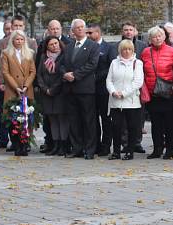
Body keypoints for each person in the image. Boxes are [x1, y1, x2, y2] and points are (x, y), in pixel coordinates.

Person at [60, 19, 100, 160]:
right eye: (77, 28)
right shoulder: (69, 46)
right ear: (73, 31)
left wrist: (75, 75)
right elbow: (61, 63)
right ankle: (77, 148)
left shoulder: (93, 46)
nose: (80, 29)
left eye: (82, 27)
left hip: (85, 89)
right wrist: (64, 73)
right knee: (74, 120)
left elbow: (92, 64)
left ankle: (89, 150)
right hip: (70, 90)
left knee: (88, 121)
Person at [141, 26, 173, 159]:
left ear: (164, 37)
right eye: (154, 36)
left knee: (170, 123)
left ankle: (170, 150)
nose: (157, 38)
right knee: (156, 123)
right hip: (153, 93)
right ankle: (157, 149)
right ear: (150, 39)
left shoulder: (172, 51)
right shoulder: (146, 52)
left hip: (167, 92)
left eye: (159, 36)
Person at [106, 39, 144, 160]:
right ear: (120, 50)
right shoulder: (114, 63)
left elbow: (138, 82)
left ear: (133, 50)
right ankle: (116, 151)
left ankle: (130, 151)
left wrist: (123, 93)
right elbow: (109, 80)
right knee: (116, 127)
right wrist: (113, 91)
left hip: (131, 101)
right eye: (124, 49)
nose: (126, 51)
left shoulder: (137, 63)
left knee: (132, 127)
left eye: (129, 49)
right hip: (115, 101)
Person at [1, 30, 37, 156]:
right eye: (17, 39)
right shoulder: (6, 53)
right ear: (12, 40)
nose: (19, 42)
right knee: (13, 118)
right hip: (12, 89)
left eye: (22, 39)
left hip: (27, 90)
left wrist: (26, 85)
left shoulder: (29, 53)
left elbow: (33, 71)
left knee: (27, 118)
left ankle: (25, 144)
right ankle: (16, 144)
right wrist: (16, 87)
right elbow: (5, 72)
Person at [35, 37, 68, 156]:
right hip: (46, 94)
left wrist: (53, 89)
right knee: (52, 120)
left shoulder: (64, 56)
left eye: (56, 43)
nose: (54, 46)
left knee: (61, 120)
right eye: (51, 44)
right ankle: (55, 144)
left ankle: (63, 146)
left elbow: (62, 75)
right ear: (47, 46)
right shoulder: (44, 57)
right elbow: (39, 74)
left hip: (60, 93)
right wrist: (45, 89)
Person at [88, 24, 117, 156]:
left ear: (98, 33)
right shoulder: (87, 47)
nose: (88, 35)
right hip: (90, 90)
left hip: (103, 89)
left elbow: (110, 67)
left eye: (91, 33)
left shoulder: (108, 48)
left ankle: (106, 145)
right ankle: (96, 145)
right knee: (93, 119)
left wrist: (94, 77)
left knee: (106, 119)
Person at [0, 20, 14, 149]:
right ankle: (2, 138)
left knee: (15, 114)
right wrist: (0, 82)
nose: (10, 31)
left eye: (11, 28)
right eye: (7, 29)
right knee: (2, 113)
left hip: (16, 85)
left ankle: (15, 139)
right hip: (3, 85)